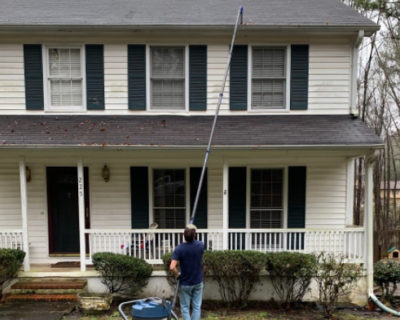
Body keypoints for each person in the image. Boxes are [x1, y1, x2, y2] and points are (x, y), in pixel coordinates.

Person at [170, 224, 204, 320]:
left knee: (185, 308)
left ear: (183, 235)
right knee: (197, 307)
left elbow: (172, 267)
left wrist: (178, 275)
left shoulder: (179, 249)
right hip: (198, 281)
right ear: (194, 235)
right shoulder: (200, 245)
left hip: (185, 282)